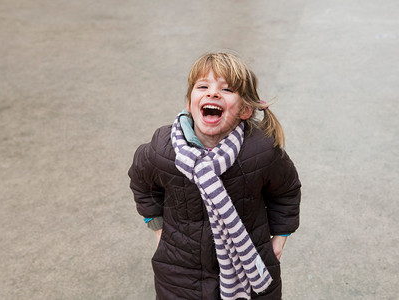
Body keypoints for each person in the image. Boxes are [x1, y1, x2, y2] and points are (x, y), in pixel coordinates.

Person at [128, 52, 301, 300]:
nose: (212, 93)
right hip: (179, 272)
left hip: (249, 264)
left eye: (227, 89)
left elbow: (286, 190)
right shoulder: (163, 149)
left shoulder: (261, 151)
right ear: (189, 103)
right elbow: (142, 183)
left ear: (245, 110)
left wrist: (279, 239)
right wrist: (157, 229)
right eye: (202, 86)